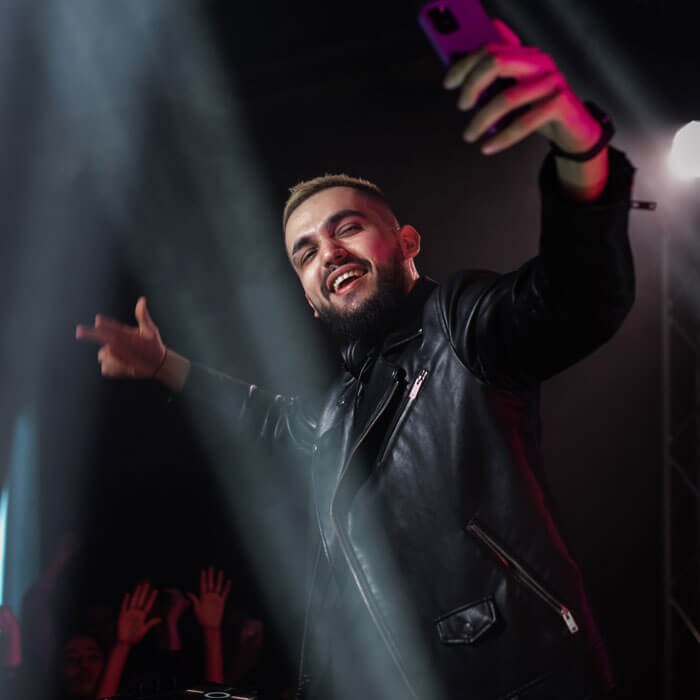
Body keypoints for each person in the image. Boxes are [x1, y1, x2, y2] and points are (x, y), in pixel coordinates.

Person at [76, 19, 635, 700]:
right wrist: (164, 364)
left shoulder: (459, 323)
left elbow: (574, 294)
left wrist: (580, 147)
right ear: (309, 299)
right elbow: (266, 419)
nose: (329, 252)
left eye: (348, 227)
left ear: (406, 242)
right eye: (305, 252)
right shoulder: (339, 411)